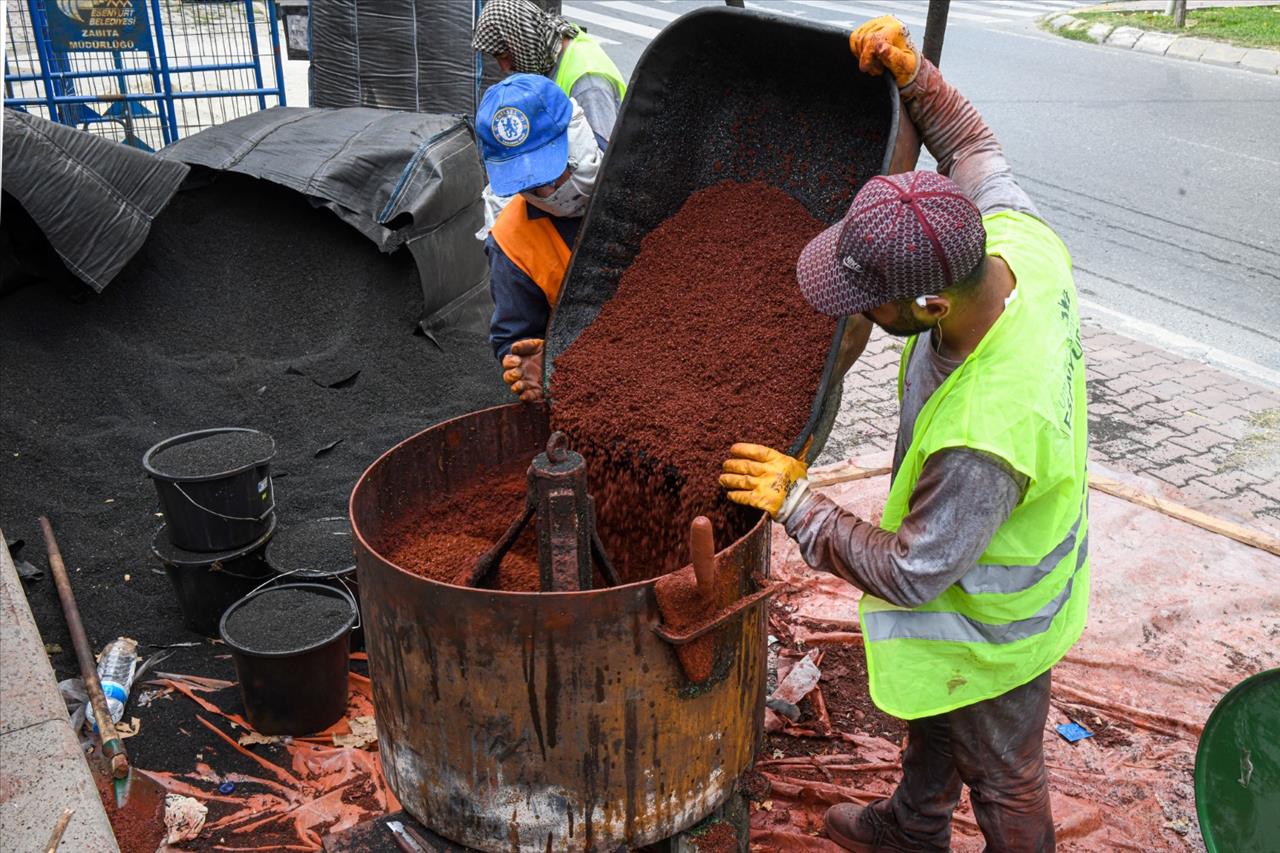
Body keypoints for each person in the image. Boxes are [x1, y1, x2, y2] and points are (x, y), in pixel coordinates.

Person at [719, 17, 1088, 853]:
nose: (854, 310)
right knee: (937, 712)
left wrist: (800, 504)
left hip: (1000, 616)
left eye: (866, 300)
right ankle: (913, 829)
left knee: (1006, 774)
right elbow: (972, 144)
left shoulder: (985, 430)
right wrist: (912, 73)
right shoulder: (1013, 240)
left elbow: (915, 573)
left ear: (928, 307)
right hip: (972, 576)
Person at [475, 73, 603, 402]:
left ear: (575, 135)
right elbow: (516, 337)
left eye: (552, 172)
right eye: (529, 185)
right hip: (597, 386)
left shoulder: (642, 170)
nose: (546, 193)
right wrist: (531, 363)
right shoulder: (511, 244)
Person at [473, 0, 626, 144]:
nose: (504, 68)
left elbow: (600, 159)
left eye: (504, 56)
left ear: (521, 41)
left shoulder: (588, 84)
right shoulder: (554, 46)